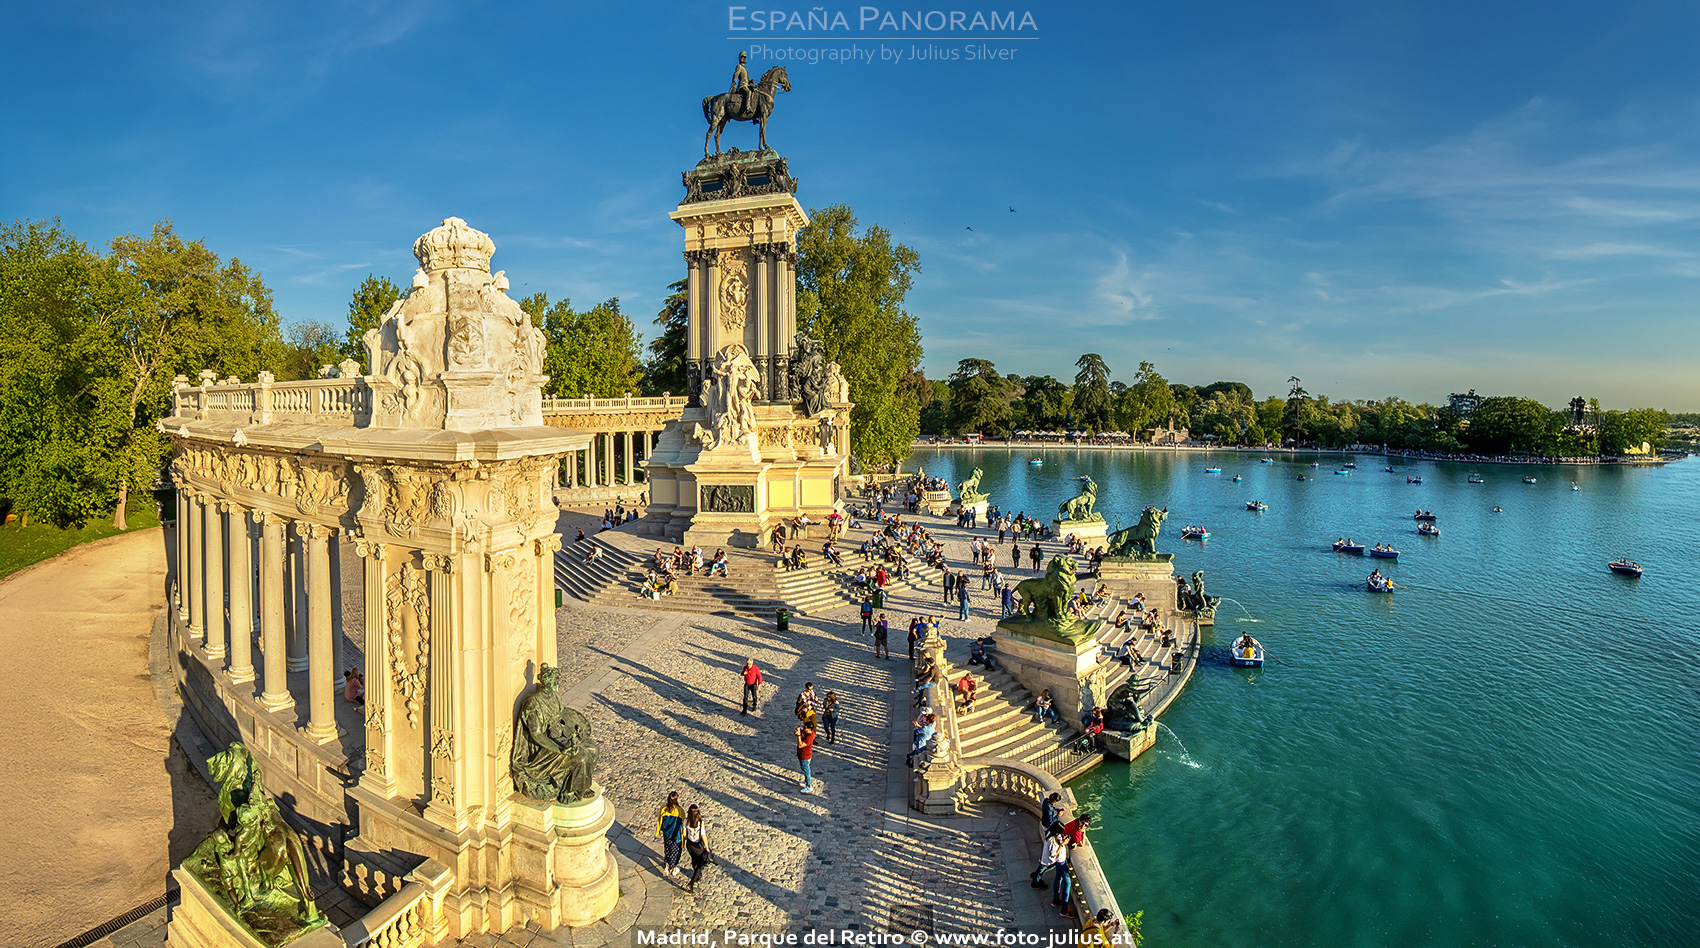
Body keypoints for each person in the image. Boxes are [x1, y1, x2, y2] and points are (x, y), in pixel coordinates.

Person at [683, 804, 713, 892]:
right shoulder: (700, 822)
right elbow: (703, 835)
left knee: (694, 860)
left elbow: (684, 834)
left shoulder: (686, 821)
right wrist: (707, 847)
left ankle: (698, 876)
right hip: (697, 846)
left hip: (689, 845)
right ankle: (692, 882)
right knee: (700, 864)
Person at [656, 791, 686, 879]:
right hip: (676, 835)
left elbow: (660, 820)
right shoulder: (680, 811)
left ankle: (666, 866)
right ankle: (673, 868)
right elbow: (683, 824)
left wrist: (658, 830)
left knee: (668, 849)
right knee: (675, 851)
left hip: (667, 833)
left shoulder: (663, 808)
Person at [1030, 824, 1068, 890]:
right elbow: (1053, 855)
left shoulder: (1049, 832)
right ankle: (1035, 882)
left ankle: (1036, 875)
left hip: (1045, 858)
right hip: (1048, 861)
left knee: (1041, 869)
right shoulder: (1052, 841)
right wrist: (1062, 845)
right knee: (1042, 870)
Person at [796, 720, 818, 792]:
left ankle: (809, 786)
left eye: (805, 728)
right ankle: (806, 781)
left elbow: (800, 745)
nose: (803, 729)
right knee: (804, 769)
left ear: (809, 729)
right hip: (801, 754)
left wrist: (799, 736)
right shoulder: (805, 732)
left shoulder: (809, 737)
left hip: (805, 755)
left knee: (806, 770)